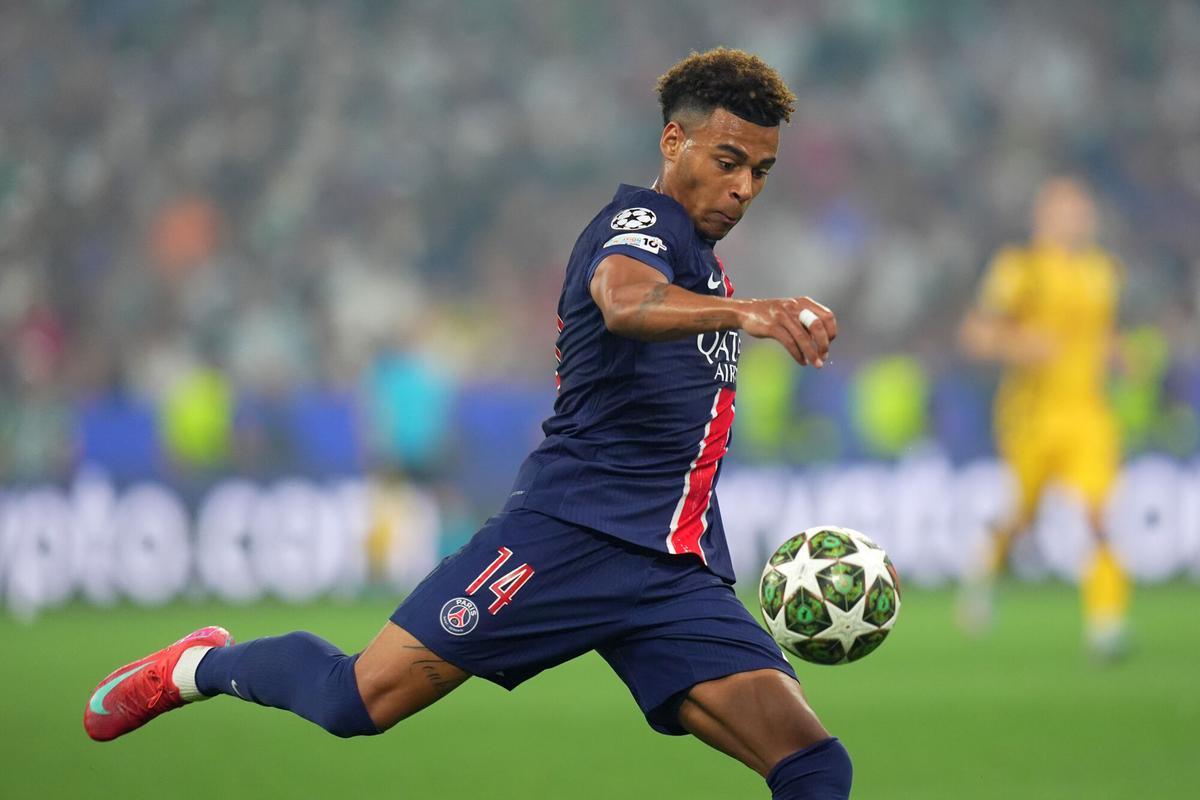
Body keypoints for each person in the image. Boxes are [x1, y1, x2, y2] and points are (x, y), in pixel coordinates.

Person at [84, 48, 851, 799]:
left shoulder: (706, 261)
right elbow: (622, 300)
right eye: (728, 160)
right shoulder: (640, 223)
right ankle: (197, 668)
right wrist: (752, 311)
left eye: (761, 172)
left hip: (672, 570)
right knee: (356, 702)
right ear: (673, 141)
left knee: (814, 765)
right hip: (566, 537)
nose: (745, 187)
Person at [958, 176, 1130, 658]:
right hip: (1031, 414)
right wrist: (1022, 344)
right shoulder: (1020, 269)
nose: (1078, 218)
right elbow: (977, 333)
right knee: (1024, 517)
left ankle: (1107, 623)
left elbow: (1101, 334)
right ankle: (984, 575)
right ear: (1045, 216)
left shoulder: (1102, 272)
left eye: (1082, 209)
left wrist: (1121, 355)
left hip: (1088, 413)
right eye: (1067, 209)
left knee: (1099, 511)